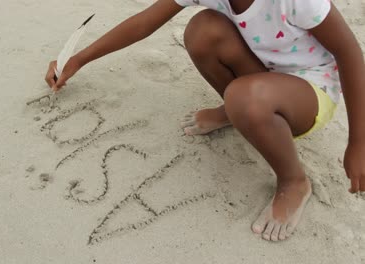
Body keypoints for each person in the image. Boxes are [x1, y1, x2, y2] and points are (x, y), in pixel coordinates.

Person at [44, 0, 365, 241]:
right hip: (264, 74)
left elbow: (349, 51)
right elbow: (145, 22)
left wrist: (358, 141)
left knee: (244, 97)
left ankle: (294, 181)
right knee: (202, 29)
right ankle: (240, 110)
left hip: (310, 91)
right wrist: (78, 59)